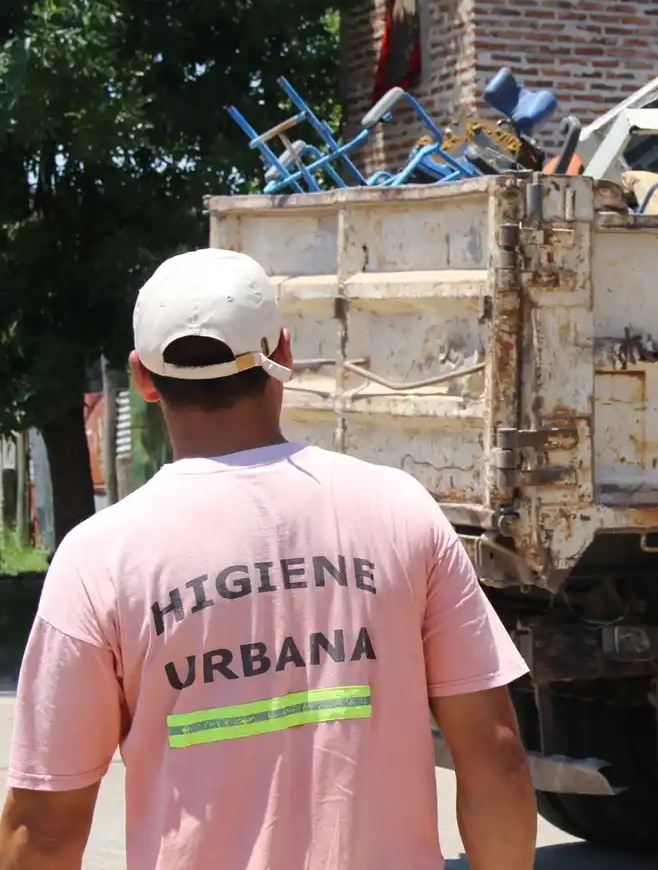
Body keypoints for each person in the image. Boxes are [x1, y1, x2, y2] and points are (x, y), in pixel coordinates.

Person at [0, 248, 537, 870]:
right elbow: (495, 759)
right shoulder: (399, 512)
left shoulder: (101, 558)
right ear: (283, 355)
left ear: (143, 379)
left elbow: (42, 830)